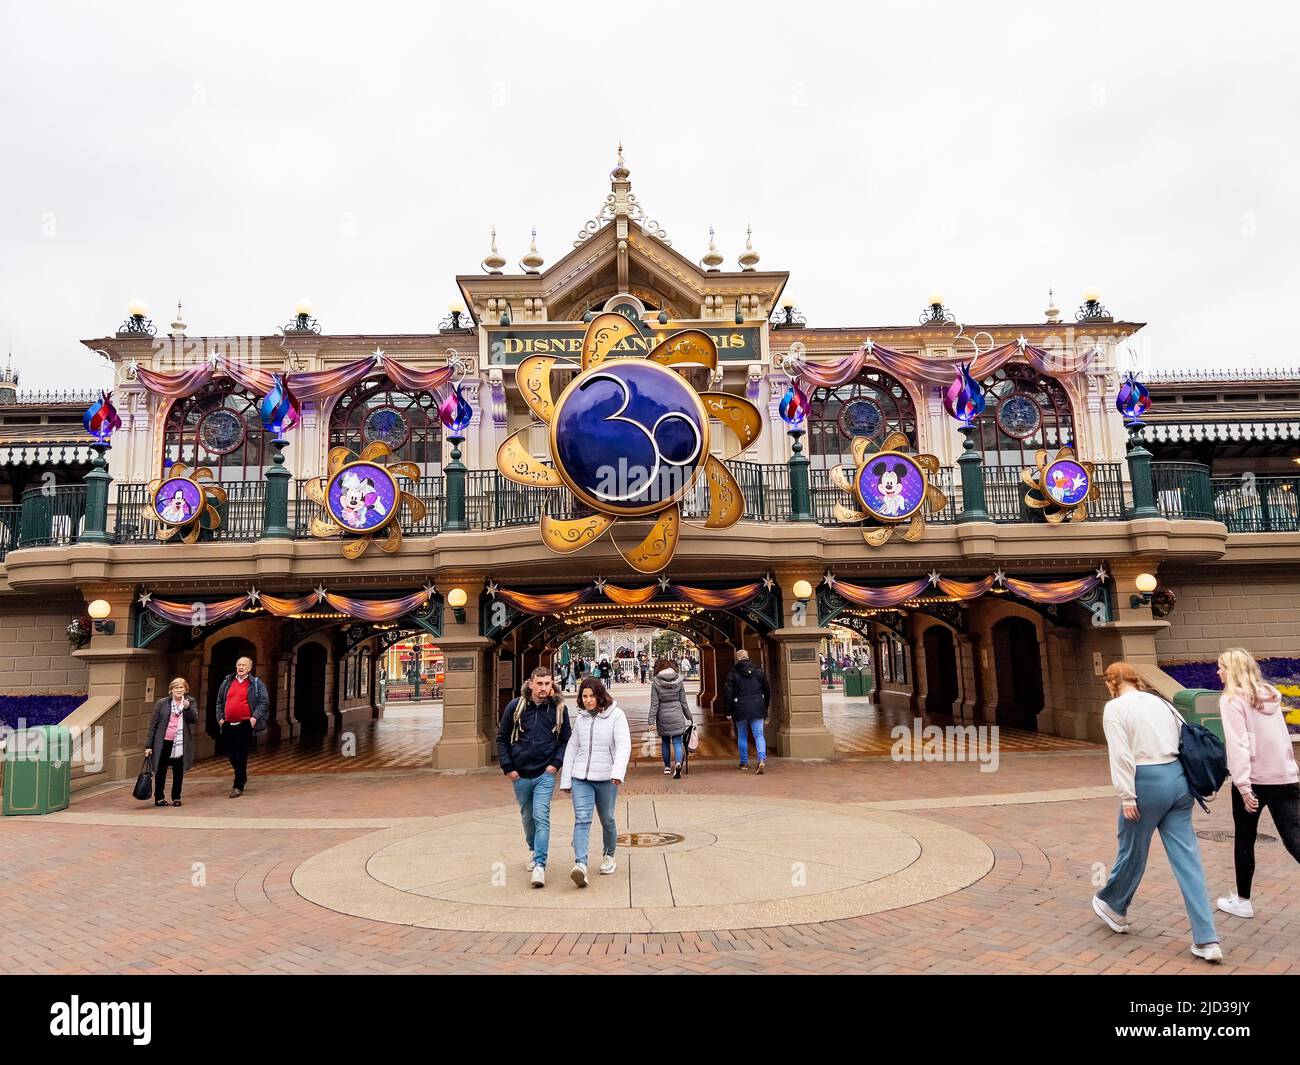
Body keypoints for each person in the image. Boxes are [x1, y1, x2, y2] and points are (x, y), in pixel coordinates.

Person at [1093, 662, 1223, 962]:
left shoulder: (1115, 708)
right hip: (1179, 780)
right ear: (1135, 680)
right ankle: (1207, 939)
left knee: (1132, 851)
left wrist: (1127, 796)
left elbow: (1121, 754)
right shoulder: (1160, 702)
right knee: (1188, 860)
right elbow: (1185, 737)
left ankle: (1114, 904)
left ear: (1111, 684)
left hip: (1145, 781)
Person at [1213, 647, 1300, 919]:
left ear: (1233, 671)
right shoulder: (1270, 696)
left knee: (1245, 837)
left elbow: (1238, 744)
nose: (1218, 672)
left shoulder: (1231, 701)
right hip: (1284, 776)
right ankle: (1241, 900)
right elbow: (1281, 737)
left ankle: (1243, 900)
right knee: (1295, 838)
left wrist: (1242, 784)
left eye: (1222, 667)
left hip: (1253, 779)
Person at [496, 665, 571, 888]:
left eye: (547, 684)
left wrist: (555, 764)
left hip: (545, 772)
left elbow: (566, 738)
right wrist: (509, 768)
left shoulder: (558, 709)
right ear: (531, 684)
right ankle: (532, 848)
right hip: (520, 773)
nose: (544, 688)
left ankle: (540, 864)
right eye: (539, 684)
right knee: (528, 817)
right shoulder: (515, 707)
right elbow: (502, 738)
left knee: (541, 816)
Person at [560, 676, 630, 887]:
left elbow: (623, 744)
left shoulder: (616, 715)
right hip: (581, 776)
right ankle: (580, 864)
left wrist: (618, 772)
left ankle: (609, 855)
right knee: (582, 818)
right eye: (584, 696)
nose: (588, 700)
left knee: (607, 818)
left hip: (606, 777)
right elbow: (573, 747)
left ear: (600, 696)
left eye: (592, 696)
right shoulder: (581, 718)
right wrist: (566, 779)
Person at [214, 656, 268, 798]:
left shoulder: (256, 683)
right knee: (231, 754)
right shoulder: (227, 682)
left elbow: (264, 701)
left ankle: (238, 786)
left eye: (244, 665)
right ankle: (242, 776)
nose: (241, 667)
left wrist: (254, 718)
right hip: (227, 724)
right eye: (239, 664)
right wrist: (220, 719)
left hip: (245, 724)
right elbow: (219, 701)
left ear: (250, 668)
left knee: (240, 755)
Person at [144, 677, 198, 807]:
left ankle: (176, 797)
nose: (178, 690)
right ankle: (159, 797)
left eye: (181, 687)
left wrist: (187, 708)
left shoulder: (190, 701)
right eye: (176, 688)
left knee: (178, 771)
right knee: (161, 770)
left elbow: (193, 719)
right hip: (163, 741)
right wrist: (149, 745)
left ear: (185, 689)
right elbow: (153, 724)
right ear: (171, 690)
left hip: (180, 743)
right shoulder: (162, 703)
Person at [723, 649, 770, 773]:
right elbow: (767, 690)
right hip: (757, 706)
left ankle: (744, 762)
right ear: (748, 657)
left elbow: (728, 693)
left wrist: (728, 711)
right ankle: (761, 760)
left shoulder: (733, 673)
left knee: (742, 735)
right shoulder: (759, 671)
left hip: (740, 708)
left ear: (736, 659)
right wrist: (765, 705)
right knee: (759, 735)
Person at [649, 657, 694, 779]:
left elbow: (654, 704)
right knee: (677, 742)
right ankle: (678, 763)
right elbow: (683, 701)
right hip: (677, 713)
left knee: (665, 742)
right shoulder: (679, 681)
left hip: (663, 715)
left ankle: (667, 767)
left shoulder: (656, 683)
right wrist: (689, 716)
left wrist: (651, 721)